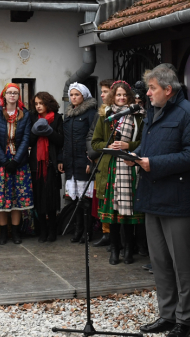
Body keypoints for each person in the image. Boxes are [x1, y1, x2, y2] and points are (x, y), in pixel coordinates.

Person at [133, 64, 190, 337]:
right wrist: (133, 155)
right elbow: (150, 148)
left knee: (180, 263)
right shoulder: (153, 111)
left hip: (177, 199)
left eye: (152, 88)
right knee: (160, 262)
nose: (148, 93)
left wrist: (153, 163)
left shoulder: (189, 113)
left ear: (168, 89)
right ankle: (167, 315)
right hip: (153, 197)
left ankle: (185, 319)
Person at [92, 81, 144, 264]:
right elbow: (95, 142)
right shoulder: (106, 116)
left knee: (127, 214)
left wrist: (128, 145)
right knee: (113, 214)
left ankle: (128, 250)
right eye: (118, 95)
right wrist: (110, 146)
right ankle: (114, 250)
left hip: (130, 168)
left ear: (129, 96)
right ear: (113, 96)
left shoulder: (139, 116)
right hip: (111, 169)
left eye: (124, 95)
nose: (121, 98)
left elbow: (145, 142)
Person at [0, 83, 33, 245]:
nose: (12, 95)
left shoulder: (25, 115)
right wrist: (4, 161)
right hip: (1, 163)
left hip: (19, 162)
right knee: (2, 198)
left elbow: (26, 138)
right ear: (4, 96)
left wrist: (16, 161)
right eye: (9, 93)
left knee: (17, 198)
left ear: (18, 96)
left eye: (15, 93)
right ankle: (3, 233)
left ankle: (15, 232)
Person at [60, 83, 98, 243]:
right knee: (75, 199)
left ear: (84, 96)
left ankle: (88, 231)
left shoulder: (91, 113)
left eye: (77, 95)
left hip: (84, 161)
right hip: (70, 162)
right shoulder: (68, 115)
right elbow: (65, 140)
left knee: (85, 200)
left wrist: (90, 161)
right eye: (71, 95)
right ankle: (78, 229)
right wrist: (61, 159)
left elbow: (92, 138)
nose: (74, 98)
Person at [30, 91, 64, 242]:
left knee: (51, 199)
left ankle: (52, 231)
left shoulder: (57, 118)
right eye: (36, 104)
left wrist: (48, 131)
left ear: (48, 104)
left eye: (41, 103)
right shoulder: (32, 118)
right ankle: (42, 230)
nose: (38, 106)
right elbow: (29, 141)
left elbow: (61, 141)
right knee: (38, 198)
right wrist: (36, 131)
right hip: (36, 165)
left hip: (51, 164)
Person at [87, 79, 114, 246]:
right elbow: (91, 135)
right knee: (102, 199)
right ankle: (106, 233)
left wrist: (100, 149)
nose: (102, 95)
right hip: (99, 161)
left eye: (105, 91)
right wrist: (92, 153)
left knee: (112, 200)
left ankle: (115, 236)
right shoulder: (100, 112)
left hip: (111, 163)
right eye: (101, 91)